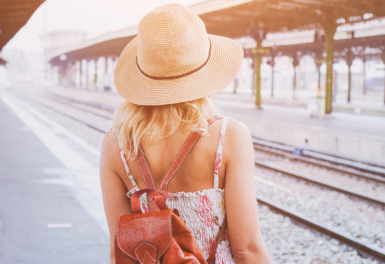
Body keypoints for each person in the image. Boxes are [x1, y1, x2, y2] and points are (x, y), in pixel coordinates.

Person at [99, 4, 271, 264]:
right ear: (205, 69)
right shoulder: (229, 137)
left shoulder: (116, 144)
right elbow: (247, 248)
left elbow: (119, 251)